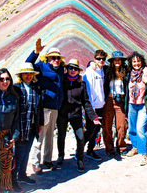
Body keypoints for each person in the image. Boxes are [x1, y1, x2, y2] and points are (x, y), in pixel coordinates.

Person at [26, 38, 65, 172]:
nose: (56, 60)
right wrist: (35, 52)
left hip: (55, 107)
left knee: (50, 136)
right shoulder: (42, 67)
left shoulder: (61, 69)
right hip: (44, 107)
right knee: (40, 135)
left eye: (58, 58)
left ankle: (47, 160)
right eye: (53, 58)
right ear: (48, 58)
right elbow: (27, 65)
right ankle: (35, 162)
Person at [57, 59, 101, 172]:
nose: (73, 70)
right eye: (71, 68)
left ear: (78, 71)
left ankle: (80, 159)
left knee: (80, 137)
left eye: (75, 69)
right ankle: (60, 156)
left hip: (75, 115)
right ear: (67, 69)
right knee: (61, 136)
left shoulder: (81, 84)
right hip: (62, 114)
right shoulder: (61, 81)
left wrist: (93, 116)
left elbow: (86, 102)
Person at [12, 63, 44, 192]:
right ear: (21, 75)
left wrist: (40, 123)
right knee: (18, 154)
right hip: (20, 127)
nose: (29, 76)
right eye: (26, 73)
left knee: (26, 152)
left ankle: (22, 175)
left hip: (31, 126)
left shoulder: (36, 88)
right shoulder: (16, 88)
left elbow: (39, 108)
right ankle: (13, 179)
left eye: (31, 73)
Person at [125, 51, 147, 166]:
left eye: (138, 61)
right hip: (131, 104)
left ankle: (144, 154)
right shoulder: (129, 74)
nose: (136, 63)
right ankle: (135, 147)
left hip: (143, 105)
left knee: (141, 129)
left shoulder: (146, 72)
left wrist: (146, 78)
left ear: (142, 62)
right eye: (134, 61)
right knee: (132, 127)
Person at [102, 50, 128, 157]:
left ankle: (121, 146)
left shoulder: (126, 71)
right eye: (115, 59)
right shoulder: (107, 71)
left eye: (119, 59)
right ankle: (109, 148)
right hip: (109, 100)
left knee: (122, 125)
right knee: (107, 125)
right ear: (112, 61)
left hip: (120, 101)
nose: (117, 61)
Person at [83, 49, 108, 161]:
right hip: (92, 107)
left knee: (96, 130)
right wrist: (91, 109)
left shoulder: (103, 71)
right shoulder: (89, 72)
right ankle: (79, 151)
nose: (101, 61)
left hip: (101, 106)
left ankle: (90, 150)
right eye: (98, 59)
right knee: (90, 131)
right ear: (94, 59)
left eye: (103, 59)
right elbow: (87, 91)